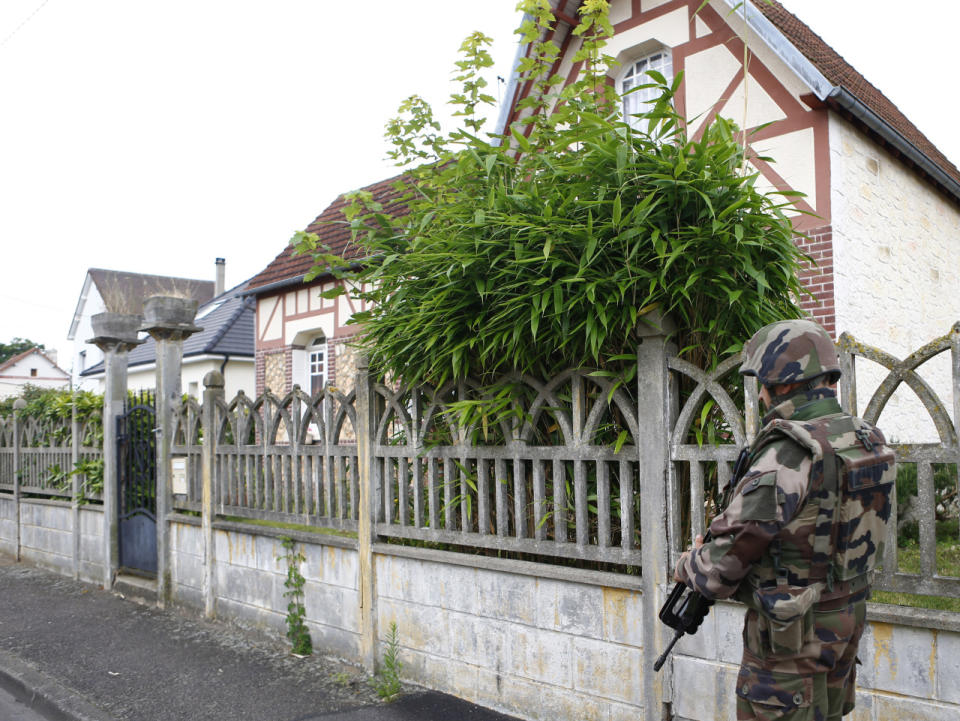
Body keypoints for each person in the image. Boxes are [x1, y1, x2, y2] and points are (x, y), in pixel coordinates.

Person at [673, 319, 896, 721]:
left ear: (786, 380)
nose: (759, 393)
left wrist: (688, 563)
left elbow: (724, 564)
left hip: (792, 642)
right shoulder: (863, 437)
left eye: (762, 381)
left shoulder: (789, 453)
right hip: (844, 622)